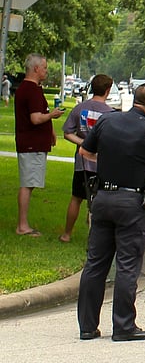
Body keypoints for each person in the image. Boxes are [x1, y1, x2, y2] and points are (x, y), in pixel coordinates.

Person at [77, 83, 145, 342]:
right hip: (131, 200)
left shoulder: (107, 121)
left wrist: (109, 162)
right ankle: (123, 326)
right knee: (127, 265)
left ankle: (87, 326)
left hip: (103, 197)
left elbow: (85, 150)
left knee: (95, 263)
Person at [59, 74, 116, 242]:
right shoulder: (111, 114)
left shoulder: (80, 108)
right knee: (98, 200)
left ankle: (67, 234)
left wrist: (83, 143)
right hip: (102, 164)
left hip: (82, 163)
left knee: (76, 198)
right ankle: (94, 237)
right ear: (108, 90)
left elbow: (67, 132)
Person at [14, 54, 65, 236]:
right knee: (28, 183)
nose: (46, 71)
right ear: (36, 68)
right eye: (44, 68)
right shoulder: (31, 90)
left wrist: (50, 130)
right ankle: (22, 225)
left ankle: (23, 224)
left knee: (29, 182)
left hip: (31, 143)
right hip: (31, 144)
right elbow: (35, 118)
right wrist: (52, 115)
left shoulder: (28, 89)